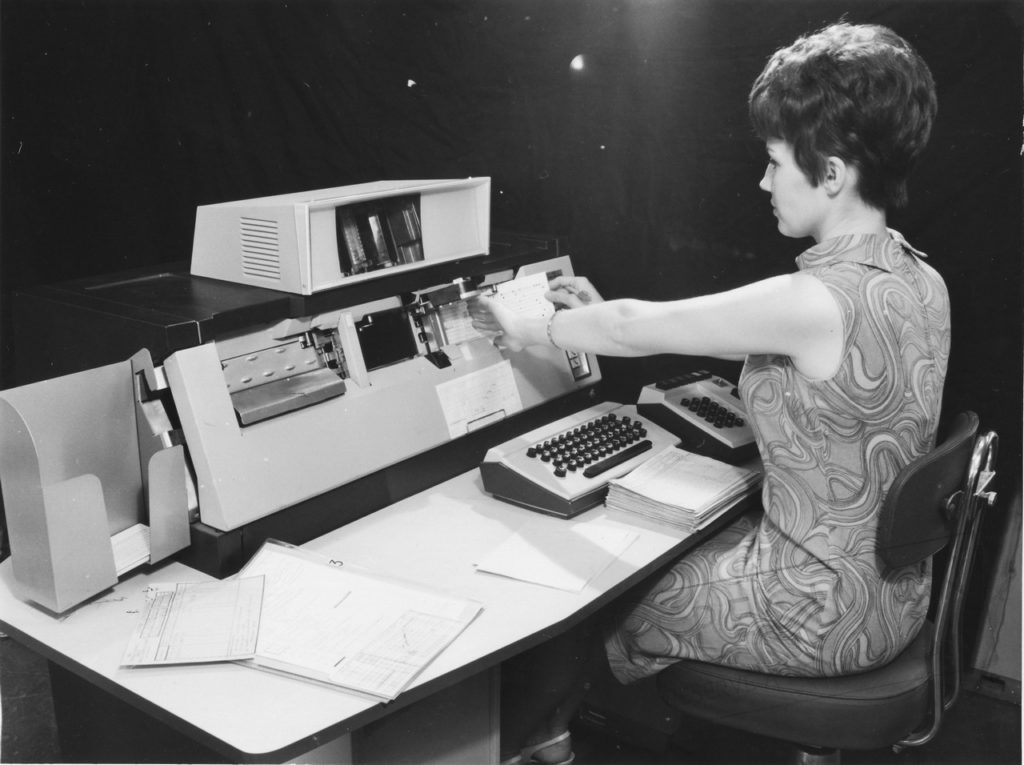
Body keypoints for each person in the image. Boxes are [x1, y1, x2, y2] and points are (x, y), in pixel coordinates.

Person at [470, 22, 945, 765]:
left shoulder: (815, 296)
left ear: (830, 173)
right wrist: (597, 318)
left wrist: (537, 332)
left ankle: (533, 743)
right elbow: (710, 332)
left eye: (775, 162)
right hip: (895, 598)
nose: (763, 182)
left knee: (593, 595)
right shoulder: (921, 279)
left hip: (817, 611)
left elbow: (641, 326)